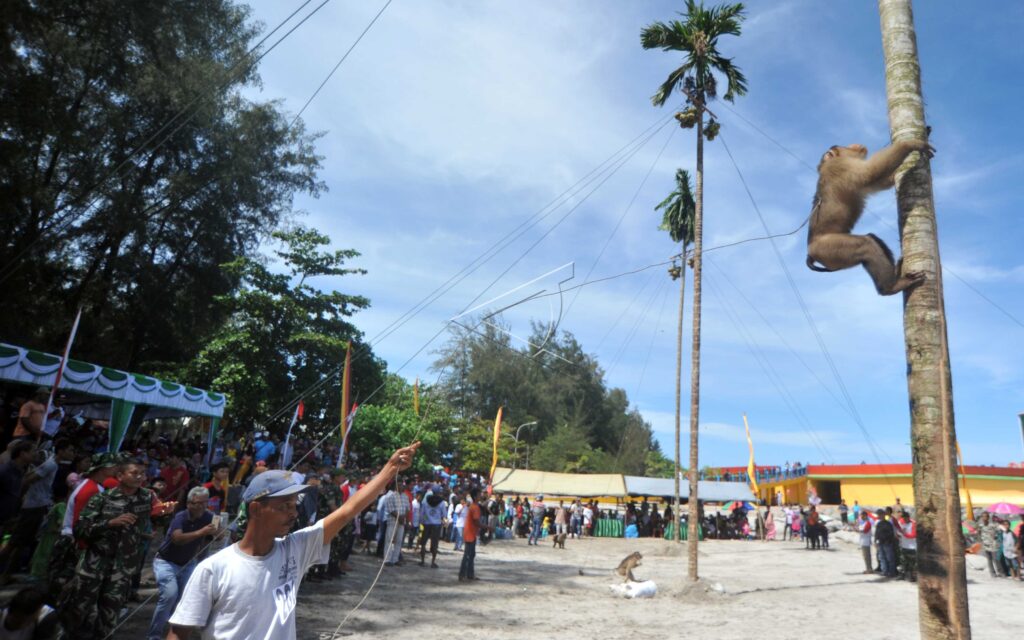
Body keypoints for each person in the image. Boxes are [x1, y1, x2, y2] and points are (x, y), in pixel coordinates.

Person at [167, 442, 419, 640]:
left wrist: (390, 469)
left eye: (294, 505)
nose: (293, 513)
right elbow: (178, 633)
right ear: (255, 509)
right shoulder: (214, 569)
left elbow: (347, 511)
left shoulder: (295, 549)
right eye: (284, 506)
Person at [58, 457, 154, 639]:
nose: (140, 477)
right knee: (78, 612)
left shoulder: (146, 497)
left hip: (121, 568)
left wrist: (149, 530)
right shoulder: (102, 498)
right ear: (120, 475)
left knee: (109, 615)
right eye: (135, 473)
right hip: (94, 565)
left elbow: (140, 525)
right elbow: (80, 530)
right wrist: (109, 523)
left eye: (142, 473)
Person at [146, 487, 218, 640]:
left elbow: (218, 535)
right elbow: (177, 538)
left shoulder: (209, 516)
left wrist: (218, 531)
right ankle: (154, 636)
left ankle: (174, 631)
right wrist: (201, 532)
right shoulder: (181, 516)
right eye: (198, 503)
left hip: (187, 563)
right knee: (170, 595)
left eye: (205, 503)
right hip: (165, 561)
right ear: (189, 503)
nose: (201, 507)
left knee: (186, 599)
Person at [459, 487, 481, 582]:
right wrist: (488, 527)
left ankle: (469, 574)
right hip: (470, 533)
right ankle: (463, 574)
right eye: (479, 494)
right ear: (476, 496)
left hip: (470, 532)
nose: (481, 496)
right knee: (468, 555)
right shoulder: (475, 507)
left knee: (471, 554)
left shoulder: (473, 506)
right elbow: (477, 522)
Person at [419, 488, 446, 568]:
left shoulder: (425, 501)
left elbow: (422, 513)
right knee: (434, 544)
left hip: (426, 524)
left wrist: (421, 522)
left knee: (423, 543)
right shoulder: (442, 502)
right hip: (436, 525)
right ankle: (433, 562)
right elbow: (444, 514)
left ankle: (422, 561)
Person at [874, 509, 897, 578]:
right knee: (882, 558)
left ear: (884, 515)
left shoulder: (888, 524)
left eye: (881, 514)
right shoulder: (879, 524)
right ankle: (884, 571)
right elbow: (876, 533)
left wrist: (886, 540)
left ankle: (891, 572)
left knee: (890, 558)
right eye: (879, 515)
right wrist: (875, 541)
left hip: (887, 543)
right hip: (880, 543)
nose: (879, 516)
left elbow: (891, 534)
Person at [978, 512, 1003, 577]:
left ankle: (1000, 572)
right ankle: (992, 573)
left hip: (993, 544)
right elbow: (979, 534)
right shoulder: (980, 525)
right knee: (989, 560)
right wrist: (978, 533)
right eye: (983, 516)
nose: (984, 518)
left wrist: (996, 535)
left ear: (988, 517)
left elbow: (1000, 531)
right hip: (985, 544)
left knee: (996, 559)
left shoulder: (993, 525)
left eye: (986, 516)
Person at [896, 510, 917, 582]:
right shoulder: (903, 524)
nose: (904, 519)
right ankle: (902, 574)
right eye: (903, 518)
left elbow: (913, 535)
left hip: (912, 547)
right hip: (904, 545)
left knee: (912, 563)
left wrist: (904, 534)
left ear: (908, 517)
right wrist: (899, 534)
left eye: (905, 518)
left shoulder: (913, 524)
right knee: (903, 562)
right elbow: (899, 533)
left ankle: (912, 576)